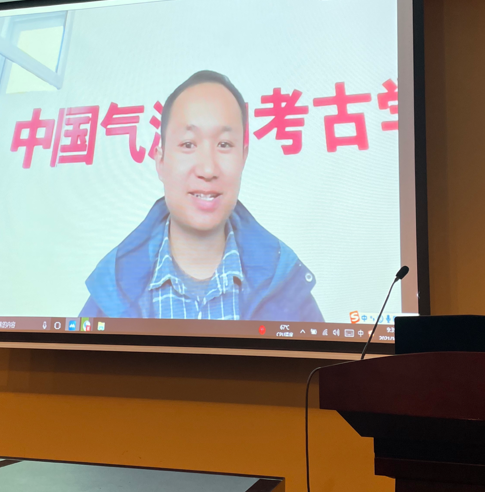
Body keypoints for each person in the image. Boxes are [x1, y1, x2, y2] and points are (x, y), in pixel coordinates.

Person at [79, 70, 323, 322]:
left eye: (224, 144)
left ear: (243, 158)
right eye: (188, 144)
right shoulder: (112, 294)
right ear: (161, 162)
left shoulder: (287, 292)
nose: (208, 169)